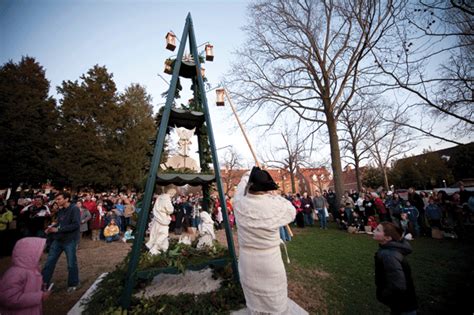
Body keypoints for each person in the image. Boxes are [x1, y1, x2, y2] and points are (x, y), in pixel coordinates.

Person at [233, 166, 296, 314]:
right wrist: (274, 194)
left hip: (248, 260)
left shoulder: (239, 203)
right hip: (269, 261)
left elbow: (240, 188)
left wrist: (248, 174)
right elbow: (291, 211)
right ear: (266, 188)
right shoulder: (275, 204)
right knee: (275, 301)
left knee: (254, 300)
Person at [373, 222, 417, 314]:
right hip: (400, 304)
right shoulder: (388, 250)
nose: (374, 231)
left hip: (403, 305)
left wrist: (383, 295)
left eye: (377, 230)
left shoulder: (389, 255)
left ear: (388, 238)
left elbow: (398, 285)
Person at [0, 237, 51, 315]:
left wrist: (41, 288)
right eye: (39, 251)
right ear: (29, 253)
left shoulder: (32, 269)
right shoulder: (15, 273)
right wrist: (38, 296)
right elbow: (9, 299)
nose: (42, 253)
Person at [42, 192, 80, 293]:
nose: (57, 201)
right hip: (58, 240)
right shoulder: (61, 210)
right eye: (56, 199)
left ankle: (73, 284)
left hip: (70, 240)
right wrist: (52, 227)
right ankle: (43, 283)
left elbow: (76, 225)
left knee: (71, 263)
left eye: (59, 199)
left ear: (67, 199)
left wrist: (58, 229)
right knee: (49, 262)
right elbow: (60, 222)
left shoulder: (74, 209)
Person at [146, 189, 176, 255]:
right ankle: (154, 248)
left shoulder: (159, 197)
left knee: (156, 233)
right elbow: (170, 210)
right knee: (164, 234)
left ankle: (163, 248)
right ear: (172, 194)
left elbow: (155, 207)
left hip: (157, 218)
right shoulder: (167, 199)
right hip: (163, 219)